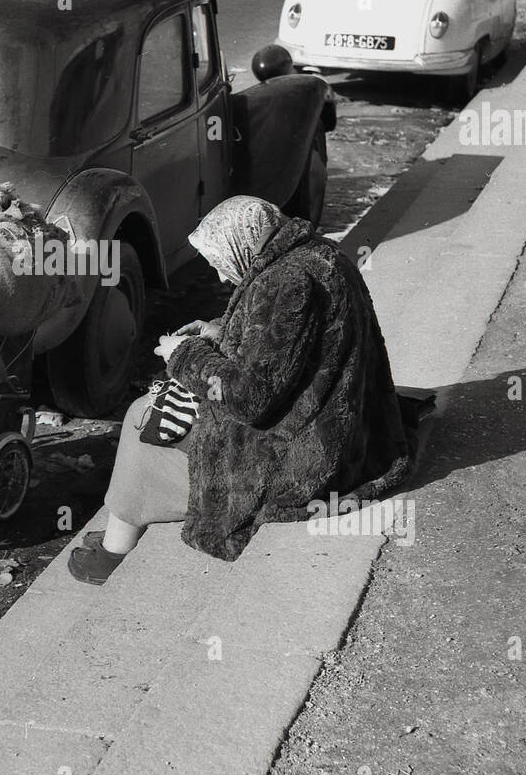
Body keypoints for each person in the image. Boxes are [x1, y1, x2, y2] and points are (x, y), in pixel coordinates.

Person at [68, 197, 414, 585]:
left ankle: (114, 551)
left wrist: (182, 354)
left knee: (143, 418)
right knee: (153, 412)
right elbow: (290, 344)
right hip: (345, 427)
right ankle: (124, 522)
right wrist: (219, 331)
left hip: (304, 460)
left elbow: (248, 398)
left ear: (241, 242)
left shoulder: (283, 282)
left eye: (218, 261)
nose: (218, 276)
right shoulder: (318, 253)